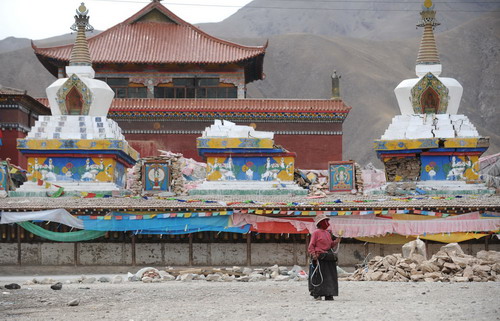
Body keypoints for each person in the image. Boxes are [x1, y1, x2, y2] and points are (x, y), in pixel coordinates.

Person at [308, 214, 340, 301]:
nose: (328, 223)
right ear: (321, 223)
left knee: (330, 276)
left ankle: (329, 294)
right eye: (326, 221)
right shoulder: (315, 233)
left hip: (328, 257)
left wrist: (336, 241)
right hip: (319, 257)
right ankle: (317, 294)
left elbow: (330, 245)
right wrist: (314, 255)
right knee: (318, 276)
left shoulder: (328, 233)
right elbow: (311, 246)